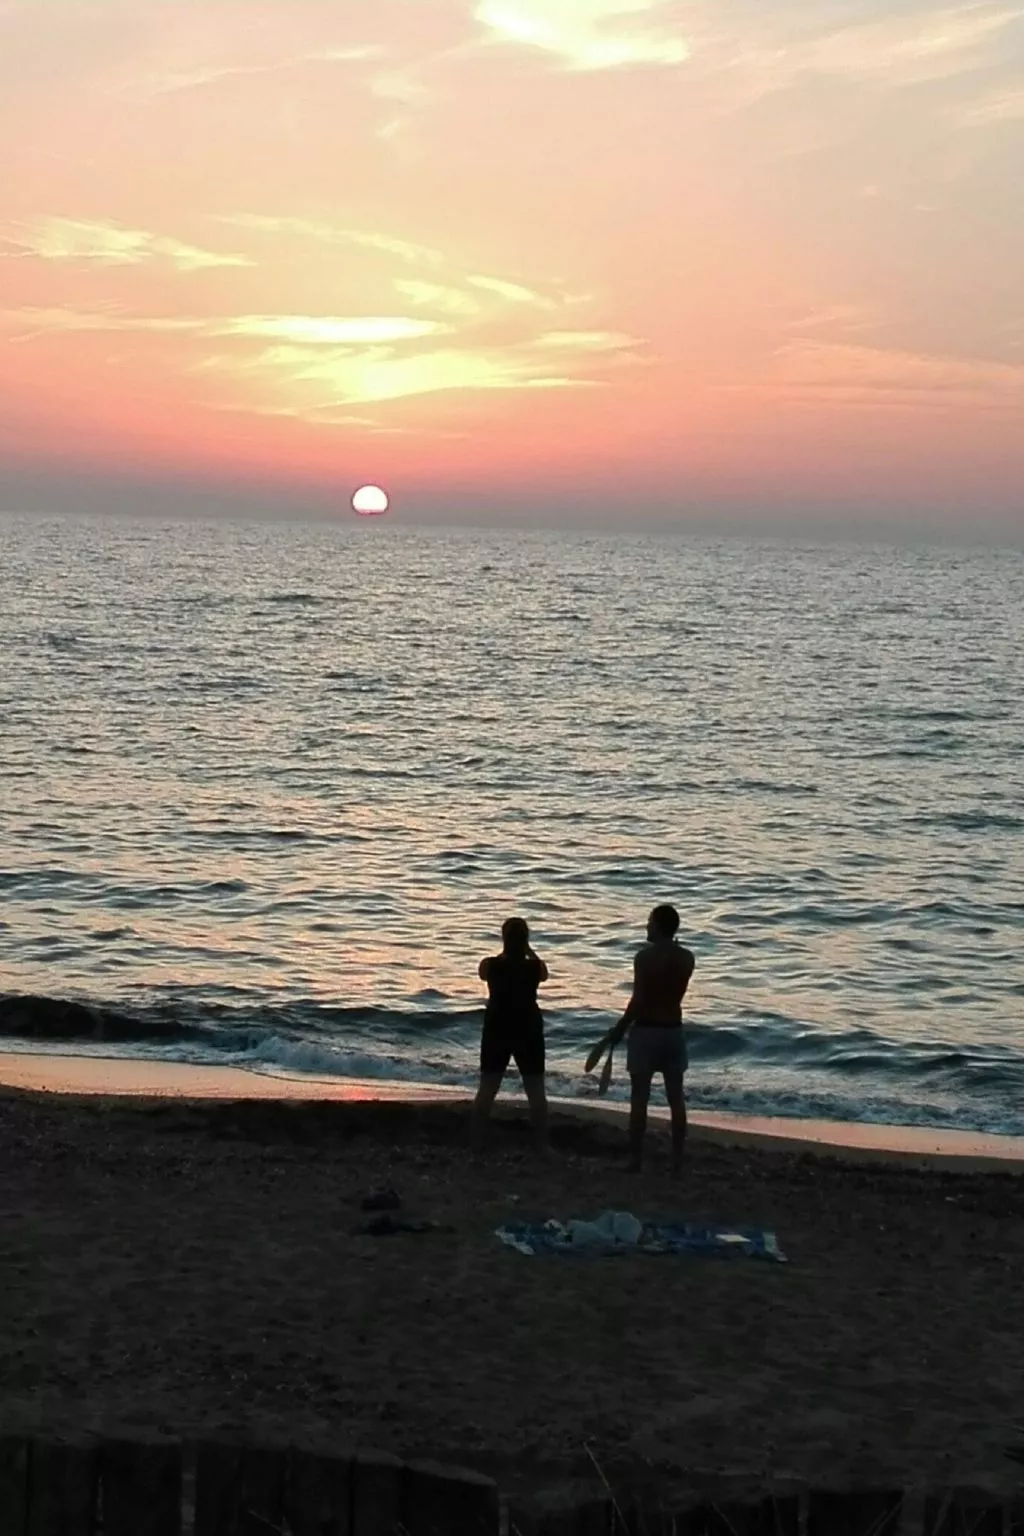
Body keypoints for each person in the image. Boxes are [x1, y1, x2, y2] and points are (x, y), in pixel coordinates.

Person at [607, 904, 695, 1173]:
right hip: (673, 1030)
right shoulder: (687, 958)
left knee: (639, 1098)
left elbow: (639, 1000)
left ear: (658, 925)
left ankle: (636, 1160)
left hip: (646, 1031)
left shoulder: (644, 958)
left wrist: (620, 1028)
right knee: (676, 1098)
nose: (646, 926)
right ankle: (677, 1161)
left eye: (649, 921)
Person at [472, 917, 549, 1151]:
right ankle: (541, 1143)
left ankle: (476, 1139)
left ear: (503, 939)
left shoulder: (490, 965)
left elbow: (482, 974)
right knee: (535, 1089)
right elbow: (545, 974)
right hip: (528, 1028)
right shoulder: (534, 967)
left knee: (488, 1087)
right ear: (526, 940)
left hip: (497, 1028)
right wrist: (528, 951)